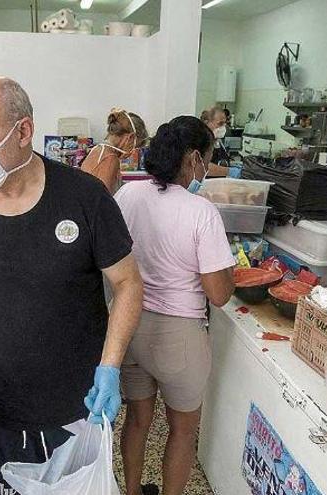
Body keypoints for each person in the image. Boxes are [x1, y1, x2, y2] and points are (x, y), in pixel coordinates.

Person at [0, 75, 144, 495]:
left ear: (24, 131)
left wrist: (110, 366)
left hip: (78, 400)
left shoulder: (84, 198)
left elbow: (128, 283)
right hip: (4, 402)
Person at [114, 115, 235, 495]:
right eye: (208, 159)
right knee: (182, 432)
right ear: (194, 158)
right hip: (179, 337)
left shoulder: (127, 195)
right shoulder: (201, 211)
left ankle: (131, 491)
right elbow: (218, 294)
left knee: (136, 420)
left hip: (130, 325)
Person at [80, 108, 149, 193]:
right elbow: (103, 201)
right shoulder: (110, 158)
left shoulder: (97, 149)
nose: (132, 152)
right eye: (134, 147)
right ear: (130, 137)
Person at [200, 105, 241, 178]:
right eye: (220, 123)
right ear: (207, 123)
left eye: (225, 123)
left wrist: (233, 165)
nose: (223, 127)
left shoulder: (218, 142)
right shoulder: (200, 141)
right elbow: (201, 167)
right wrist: (229, 171)